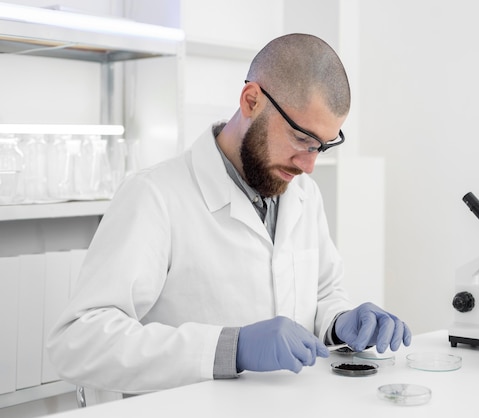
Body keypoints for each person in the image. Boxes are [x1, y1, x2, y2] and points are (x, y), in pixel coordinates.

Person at [47, 33, 411, 396]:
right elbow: (79, 341)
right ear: (251, 100)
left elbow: (324, 293)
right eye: (301, 139)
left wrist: (340, 322)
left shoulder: (303, 194)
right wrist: (231, 348)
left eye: (321, 146)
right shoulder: (155, 195)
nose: (310, 165)